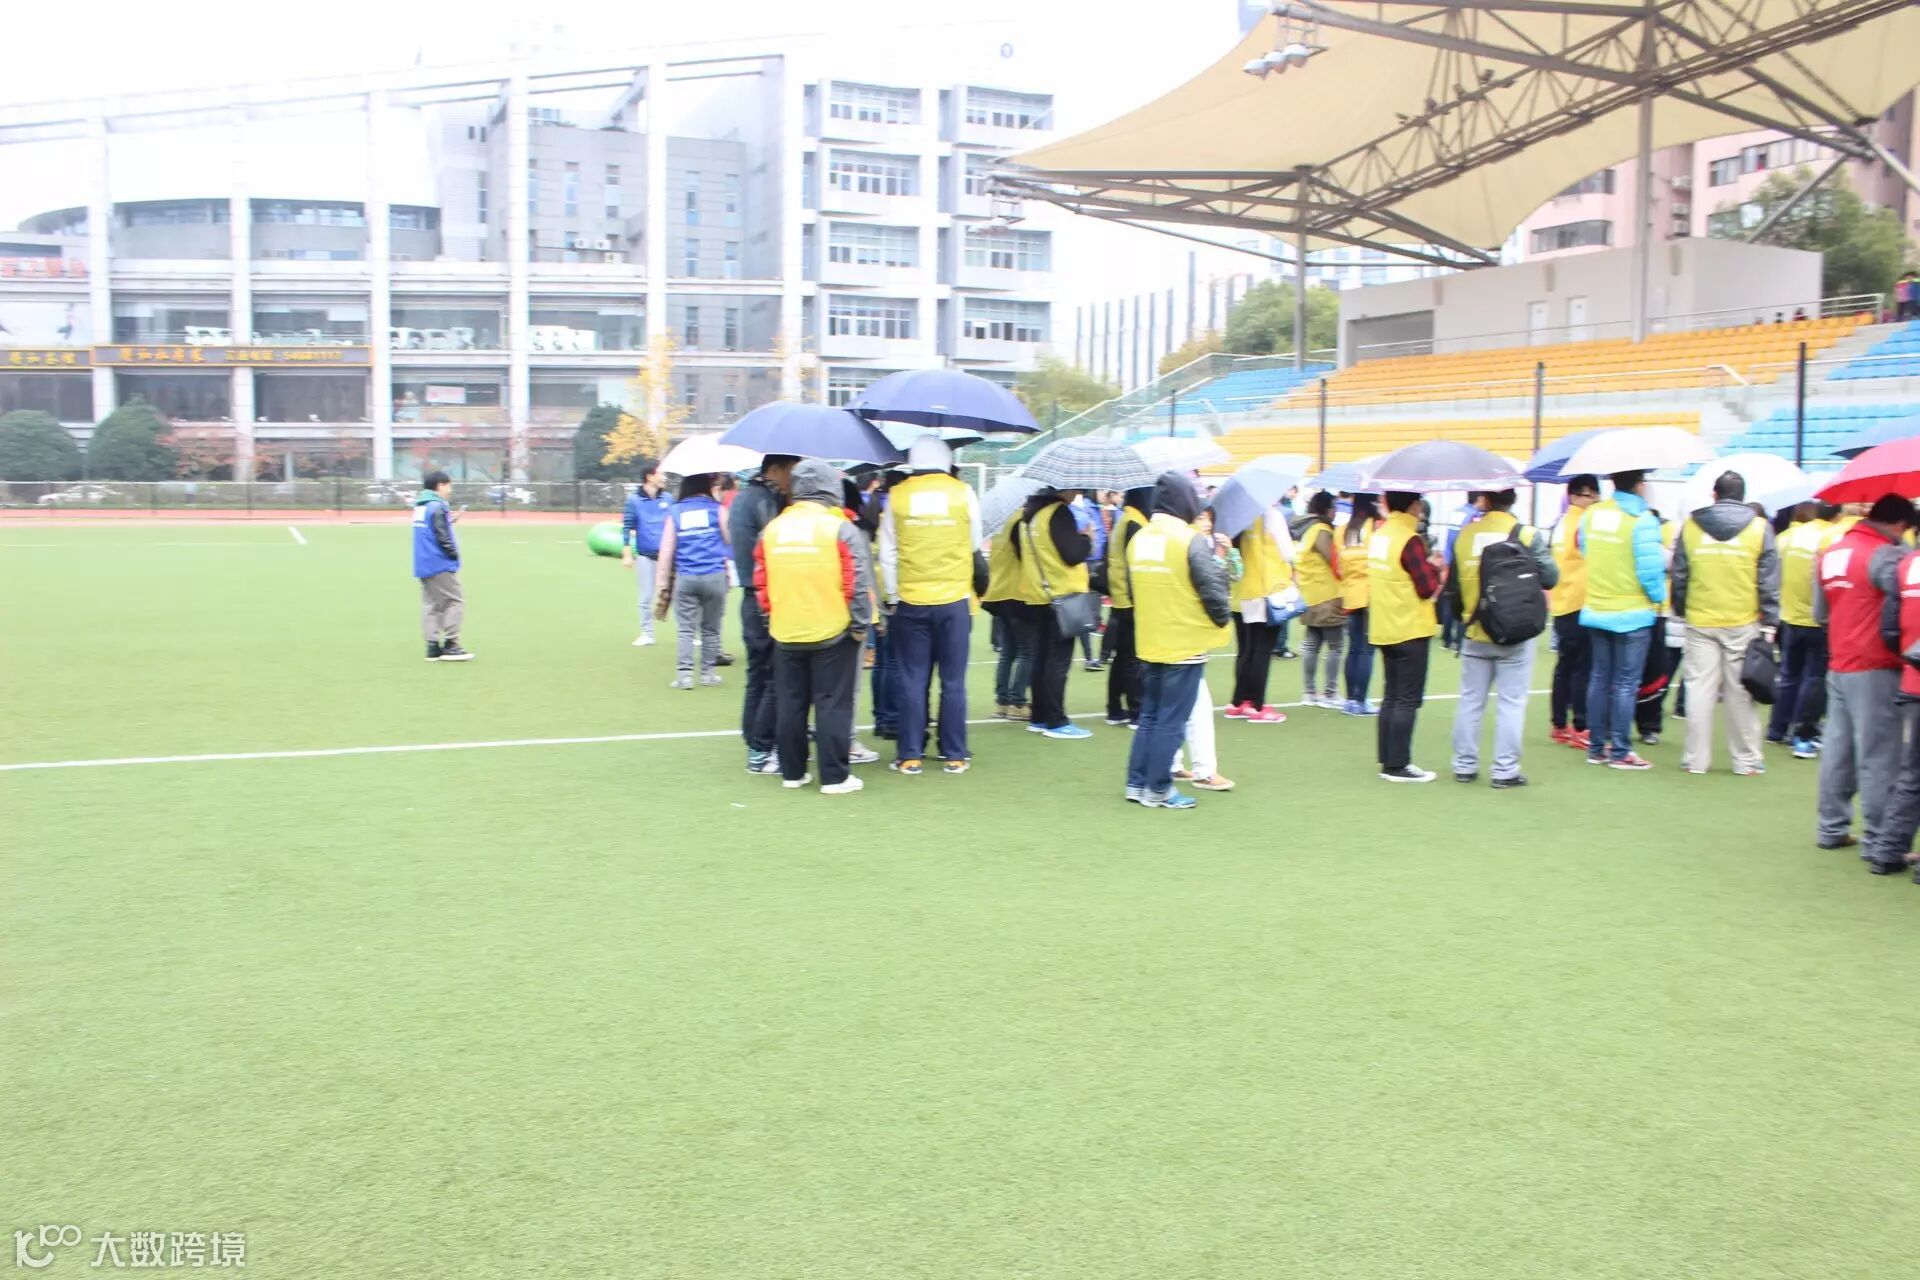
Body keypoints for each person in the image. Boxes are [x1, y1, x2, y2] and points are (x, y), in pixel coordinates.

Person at [753, 459, 876, 796]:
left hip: (786, 630)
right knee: (832, 704)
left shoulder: (772, 529)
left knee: (791, 703)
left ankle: (793, 772)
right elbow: (857, 581)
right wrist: (860, 625)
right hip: (832, 630)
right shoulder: (840, 528)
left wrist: (770, 618)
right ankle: (834, 777)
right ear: (830, 488)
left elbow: (762, 582)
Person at [1124, 471, 1232, 809]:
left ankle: (1137, 782)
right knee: (1172, 719)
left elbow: (1131, 589)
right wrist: (1220, 616)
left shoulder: (1139, 538)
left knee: (1151, 715)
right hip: (1184, 640)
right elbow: (1212, 590)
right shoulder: (1189, 539)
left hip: (1150, 638)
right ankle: (1159, 788)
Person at [1813, 495, 1913, 856]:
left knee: (1838, 749)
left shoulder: (1831, 552)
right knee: (1879, 754)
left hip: (1840, 660)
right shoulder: (1887, 555)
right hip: (1876, 663)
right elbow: (1904, 601)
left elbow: (1820, 613)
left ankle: (1831, 827)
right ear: (1899, 524)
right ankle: (1879, 838)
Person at [878, 437, 982, 776]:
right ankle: (954, 754)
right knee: (953, 681)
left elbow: (888, 553)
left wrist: (893, 596)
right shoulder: (963, 492)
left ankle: (910, 754)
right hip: (954, 599)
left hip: (911, 600)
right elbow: (974, 543)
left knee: (912, 679)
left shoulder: (897, 495)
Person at [1446, 489, 1558, 788]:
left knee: (1471, 700)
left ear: (1484, 499)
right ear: (1513, 500)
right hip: (1514, 628)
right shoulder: (1526, 534)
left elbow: (1453, 586)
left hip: (1475, 628)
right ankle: (1504, 770)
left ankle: (1464, 765)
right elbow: (1551, 577)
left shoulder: (1466, 535)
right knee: (1511, 702)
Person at [1671, 470, 1780, 776]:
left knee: (1698, 689)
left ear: (1714, 495)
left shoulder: (1691, 526)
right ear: (1743, 497)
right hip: (1742, 619)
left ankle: (1695, 759)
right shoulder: (1760, 528)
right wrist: (1770, 619)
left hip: (1700, 618)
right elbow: (1769, 579)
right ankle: (1746, 760)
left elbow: (1680, 574)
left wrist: (1682, 608)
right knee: (1740, 692)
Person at [1576, 471, 1666, 769]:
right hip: (1632, 611)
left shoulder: (1592, 514)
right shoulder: (1642, 519)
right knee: (1626, 683)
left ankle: (1597, 747)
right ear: (1639, 485)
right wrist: (1658, 598)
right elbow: (1650, 571)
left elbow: (1585, 549)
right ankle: (1620, 750)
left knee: (1600, 678)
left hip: (1598, 605)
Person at [1368, 490, 1445, 782]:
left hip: (1385, 624)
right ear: (1413, 505)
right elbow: (1426, 587)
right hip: (1409, 625)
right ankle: (1398, 763)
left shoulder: (1381, 534)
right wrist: (1435, 568)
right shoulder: (1409, 539)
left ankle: (1388, 758)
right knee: (1407, 699)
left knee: (1391, 695)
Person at [730, 454, 797, 775]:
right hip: (765, 596)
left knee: (757, 675)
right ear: (775, 469)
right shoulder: (765, 501)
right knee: (774, 676)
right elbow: (777, 546)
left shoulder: (743, 497)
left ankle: (754, 741)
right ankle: (762, 747)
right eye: (792, 472)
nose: (794, 479)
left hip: (749, 595)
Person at [1012, 487, 1095, 740]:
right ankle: (1056, 721)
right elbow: (1072, 555)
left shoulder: (1028, 516)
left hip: (1039, 594)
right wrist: (1086, 538)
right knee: (1057, 661)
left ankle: (1039, 717)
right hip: (1062, 595)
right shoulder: (1058, 513)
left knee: (1041, 659)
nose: (1078, 490)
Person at [1768, 502, 1839, 757]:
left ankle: (1776, 728)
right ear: (1837, 516)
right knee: (1814, 677)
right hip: (1817, 618)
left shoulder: (1789, 536)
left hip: (1788, 615)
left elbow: (1773, 572)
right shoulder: (1832, 538)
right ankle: (1800, 731)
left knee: (1789, 675)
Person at [1870, 538, 1920, 880]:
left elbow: (1889, 628)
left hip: (1913, 679)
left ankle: (1888, 852)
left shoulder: (1906, 564)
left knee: (1912, 773)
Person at [654, 473, 731, 691]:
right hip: (714, 575)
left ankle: (685, 676)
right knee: (711, 629)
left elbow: (667, 549)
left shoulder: (676, 511)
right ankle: (708, 674)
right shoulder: (718, 509)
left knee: (686, 629)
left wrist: (662, 581)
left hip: (686, 576)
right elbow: (729, 538)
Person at [1225, 495, 1295, 722]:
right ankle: (1257, 705)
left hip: (1244, 591)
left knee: (1247, 649)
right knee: (1262, 650)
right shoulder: (1272, 516)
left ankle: (1239, 702)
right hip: (1268, 590)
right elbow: (1288, 553)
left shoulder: (1240, 519)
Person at [1547, 475, 1599, 749]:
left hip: (1562, 600)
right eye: (1592, 496)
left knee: (1565, 666)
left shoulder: (1560, 522)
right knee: (1582, 668)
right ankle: (1581, 726)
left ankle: (1559, 724)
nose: (1595, 501)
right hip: (1580, 600)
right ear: (1577, 496)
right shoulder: (1584, 523)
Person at [1103, 485, 1154, 727]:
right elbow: (1137, 564)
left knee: (1122, 658)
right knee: (1133, 658)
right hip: (1132, 599)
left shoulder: (1125, 519)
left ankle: (1114, 709)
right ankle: (1137, 711)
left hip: (1120, 597)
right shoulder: (1136, 523)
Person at [412, 469, 472, 661]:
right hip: (439, 562)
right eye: (448, 485)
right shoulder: (438, 506)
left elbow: (432, 528)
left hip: (423, 562)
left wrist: (450, 520)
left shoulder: (421, 506)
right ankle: (451, 644)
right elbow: (442, 536)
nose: (449, 489)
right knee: (455, 601)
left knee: (432, 604)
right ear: (440, 485)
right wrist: (453, 553)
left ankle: (432, 647)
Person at [982, 509, 1037, 722]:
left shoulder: (1001, 521)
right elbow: (1028, 557)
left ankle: (1002, 702)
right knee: (1027, 651)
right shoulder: (1022, 522)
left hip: (999, 593)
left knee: (1008, 651)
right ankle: (1018, 702)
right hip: (1018, 593)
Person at [1293, 491, 1346, 709]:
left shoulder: (1306, 529)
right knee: (1335, 645)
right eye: (1333, 507)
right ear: (1325, 509)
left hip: (1309, 593)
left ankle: (1309, 691)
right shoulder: (1322, 530)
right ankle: (1330, 693)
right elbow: (1335, 562)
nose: (1335, 512)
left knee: (1312, 643)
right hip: (1327, 594)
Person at [619, 464, 672, 646]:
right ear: (649, 477)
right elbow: (626, 527)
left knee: (680, 596)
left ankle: (688, 633)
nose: (664, 477)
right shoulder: (634, 500)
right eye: (660, 474)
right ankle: (647, 633)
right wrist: (627, 554)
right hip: (646, 556)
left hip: (668, 557)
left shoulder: (668, 498)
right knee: (645, 597)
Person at [1338, 493, 1380, 715]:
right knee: (1366, 650)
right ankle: (1361, 699)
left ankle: (1350, 699)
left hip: (1350, 592)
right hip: (1371, 592)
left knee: (1353, 648)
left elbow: (1337, 564)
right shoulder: (1377, 528)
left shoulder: (1343, 530)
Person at [1071, 492, 1108, 671]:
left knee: (1081, 617)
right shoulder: (1079, 512)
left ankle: (1089, 658)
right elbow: (1087, 547)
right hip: (1074, 575)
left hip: (1076, 574)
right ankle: (1089, 658)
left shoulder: (1083, 510)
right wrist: (1088, 536)